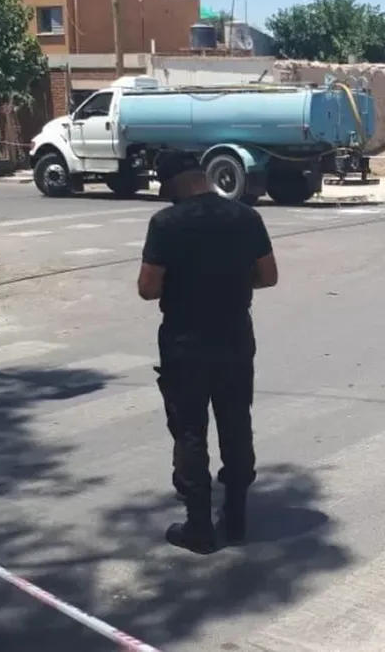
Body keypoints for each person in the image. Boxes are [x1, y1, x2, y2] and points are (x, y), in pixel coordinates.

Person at [137, 151, 279, 554]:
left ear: (173, 184)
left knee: (189, 430)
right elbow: (268, 277)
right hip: (235, 335)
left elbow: (148, 288)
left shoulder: (166, 223)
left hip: (186, 341)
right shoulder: (245, 217)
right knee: (236, 420)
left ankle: (199, 526)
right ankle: (236, 517)